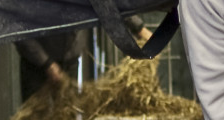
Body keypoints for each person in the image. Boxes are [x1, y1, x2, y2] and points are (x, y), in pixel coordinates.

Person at [16, 17, 153, 101]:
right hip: (37, 64)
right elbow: (18, 27)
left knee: (67, 119)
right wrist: (46, 63)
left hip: (70, 61)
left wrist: (139, 28)